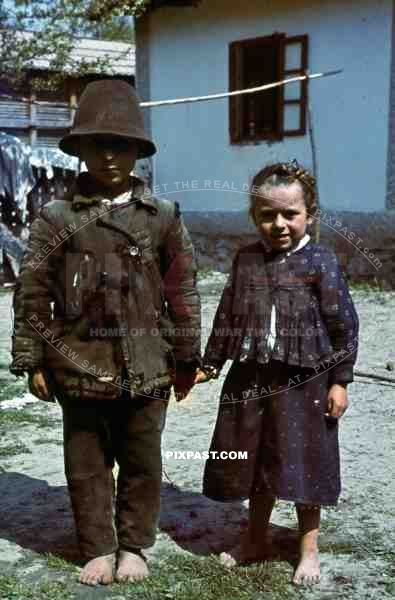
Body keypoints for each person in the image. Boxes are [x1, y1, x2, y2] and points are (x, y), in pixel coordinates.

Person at [10, 80, 201, 586]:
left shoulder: (163, 217)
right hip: (77, 363)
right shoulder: (55, 219)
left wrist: (188, 357)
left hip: (147, 365)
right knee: (86, 463)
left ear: (138, 150)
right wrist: (32, 360)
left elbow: (183, 291)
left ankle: (134, 545)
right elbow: (32, 292)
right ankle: (97, 545)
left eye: (121, 144)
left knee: (142, 459)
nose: (109, 156)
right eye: (97, 144)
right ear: (79, 151)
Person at [195, 161, 359, 585]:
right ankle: (255, 538)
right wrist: (210, 364)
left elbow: (344, 324)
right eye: (267, 215)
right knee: (252, 458)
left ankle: (308, 549)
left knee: (305, 459)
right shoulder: (246, 260)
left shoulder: (321, 261)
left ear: (310, 214)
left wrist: (340, 380)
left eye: (291, 214)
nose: (279, 224)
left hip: (303, 384)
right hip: (249, 381)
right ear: (254, 217)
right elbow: (227, 315)